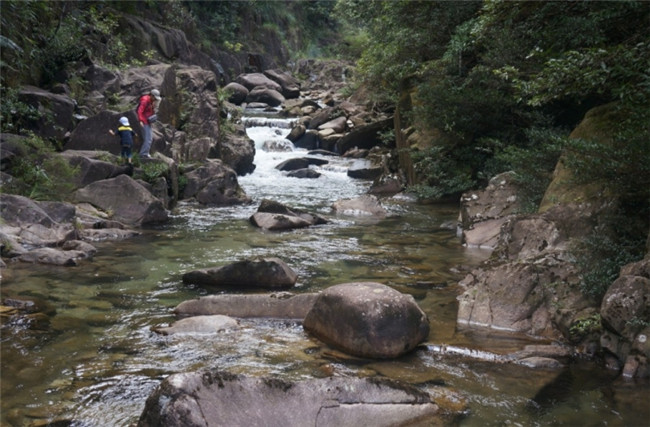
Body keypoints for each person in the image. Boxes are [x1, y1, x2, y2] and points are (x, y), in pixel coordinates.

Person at [136, 88, 161, 158]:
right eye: (155, 98)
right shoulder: (145, 101)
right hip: (144, 122)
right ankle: (143, 154)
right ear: (151, 95)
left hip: (147, 121)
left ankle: (145, 153)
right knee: (148, 139)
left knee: (148, 138)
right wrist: (140, 120)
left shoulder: (150, 101)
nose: (155, 99)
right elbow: (140, 111)